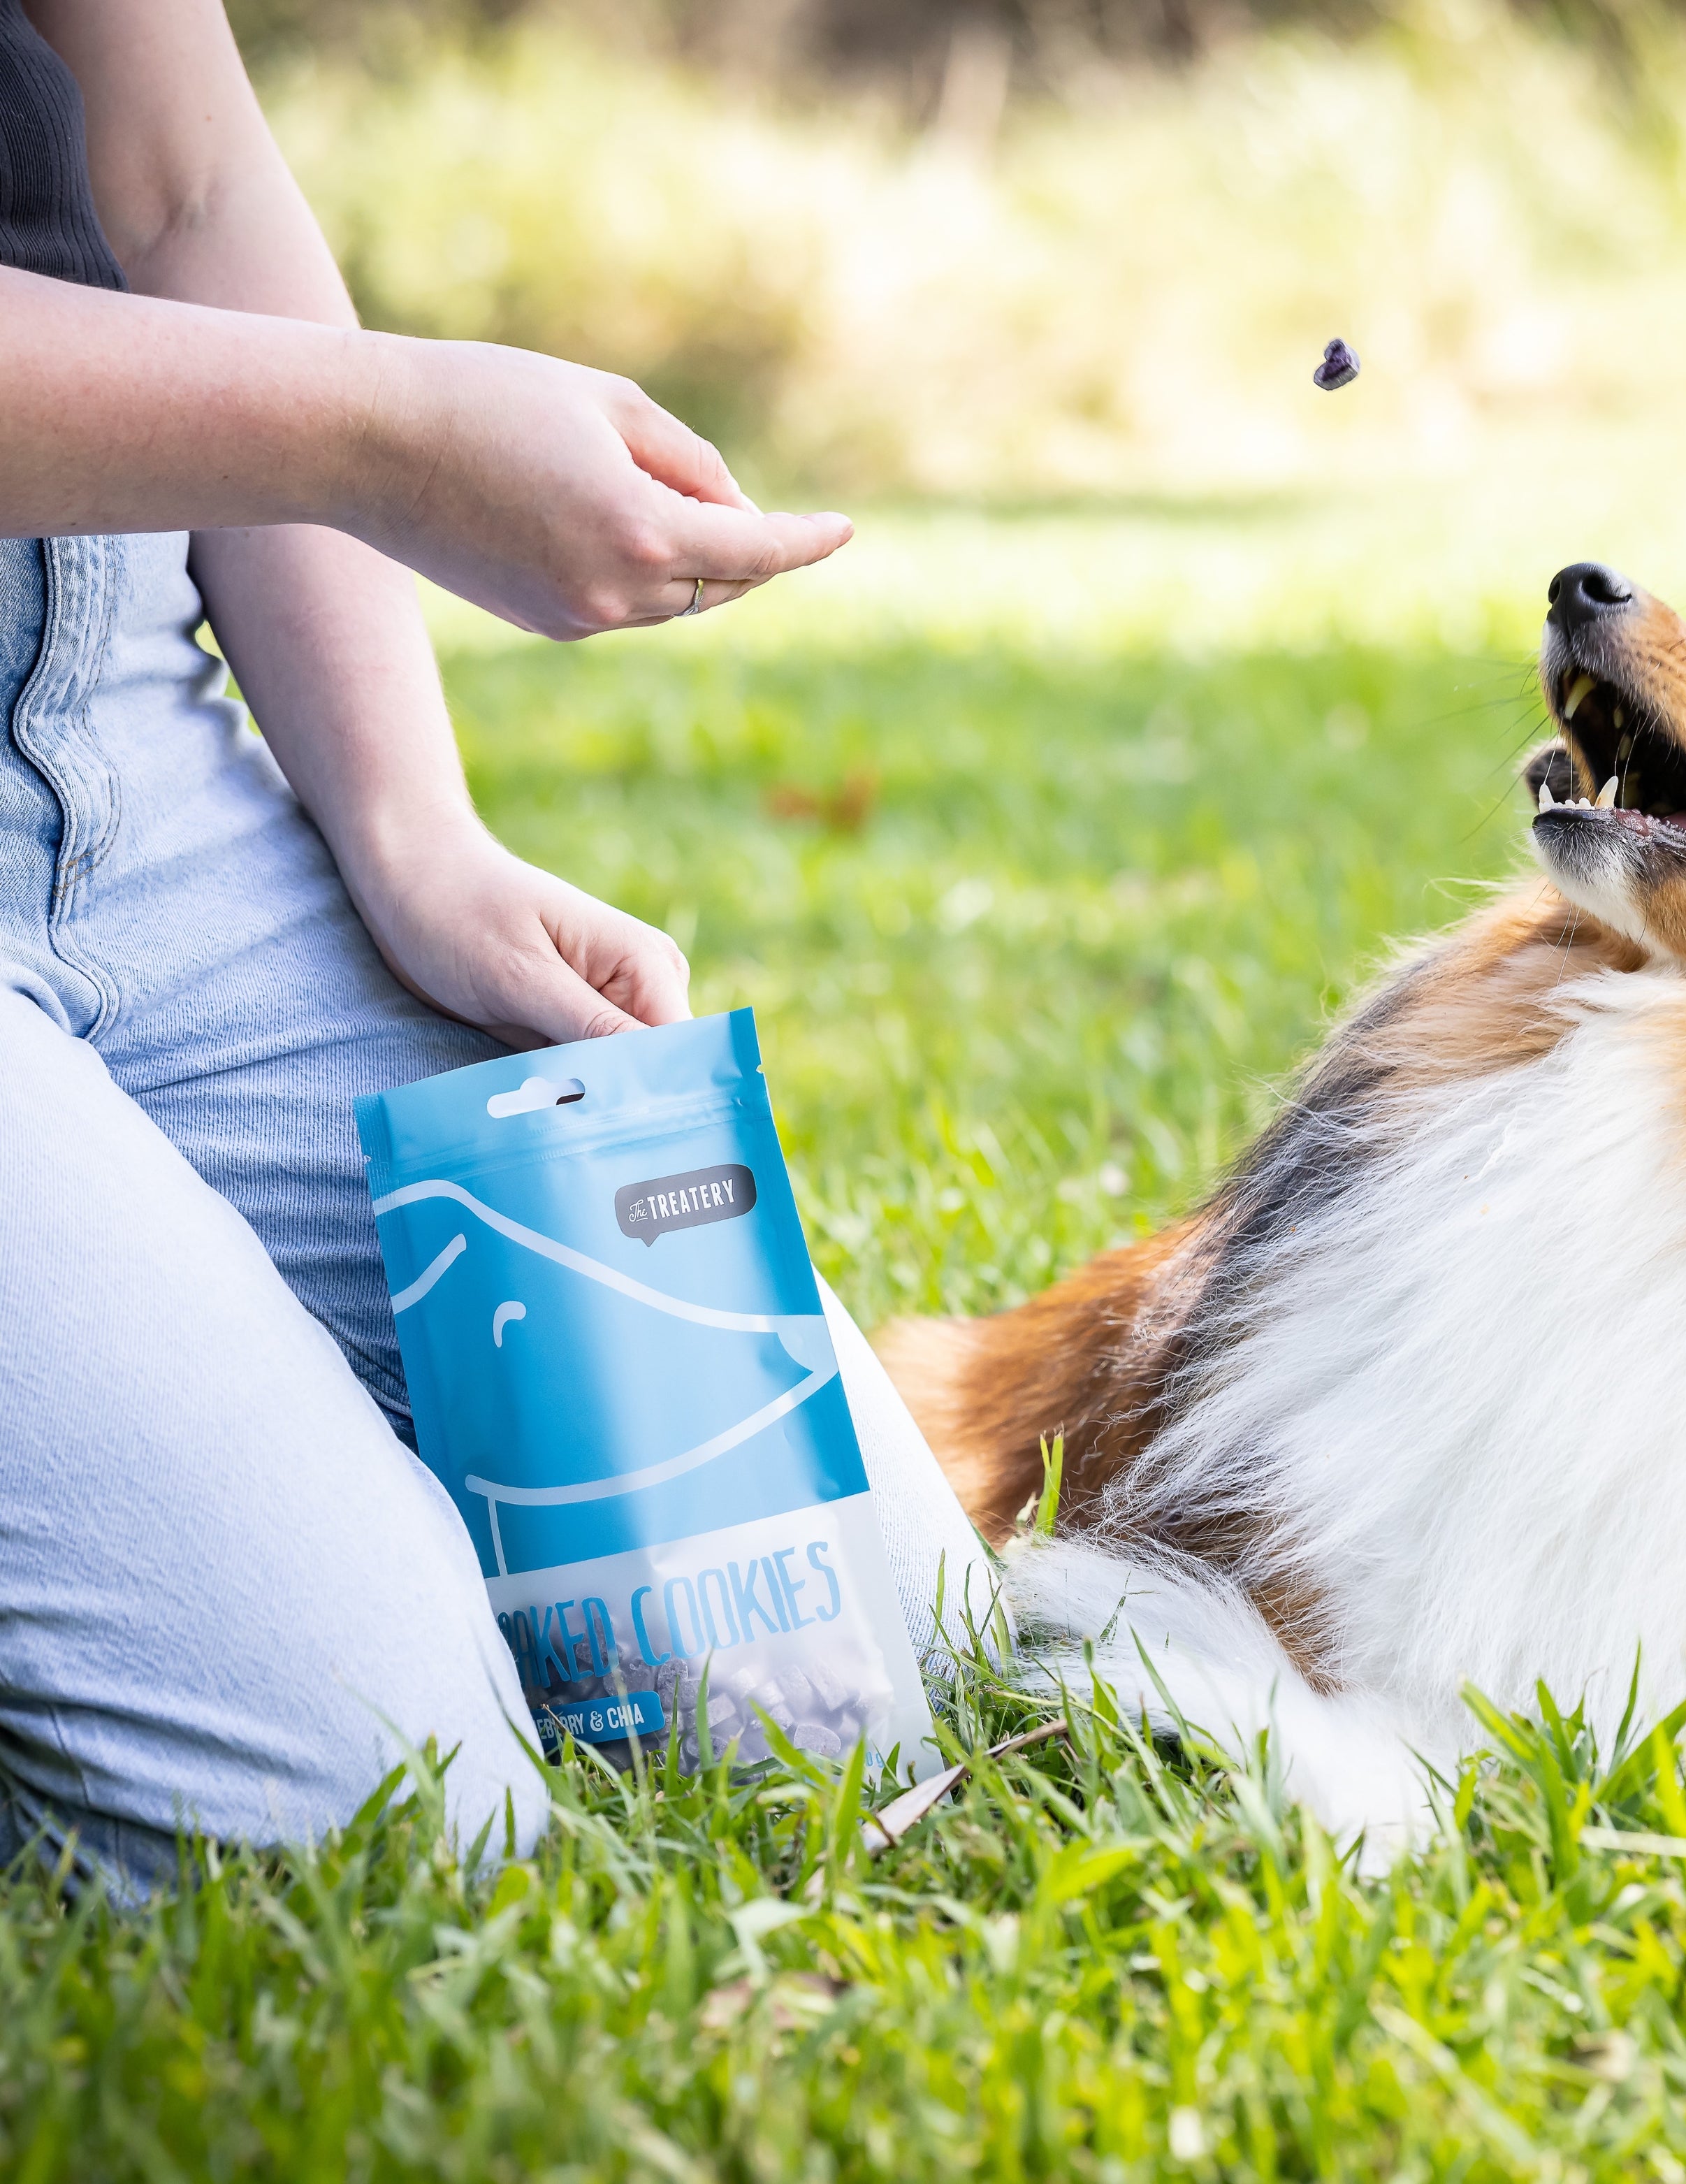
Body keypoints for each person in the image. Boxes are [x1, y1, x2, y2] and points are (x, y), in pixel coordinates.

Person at [0, 0, 988, 1893]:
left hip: (137, 712)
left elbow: (182, 172)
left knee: (858, 1649)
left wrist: (408, 828)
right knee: (377, 1824)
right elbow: (341, 410)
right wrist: (395, 435)